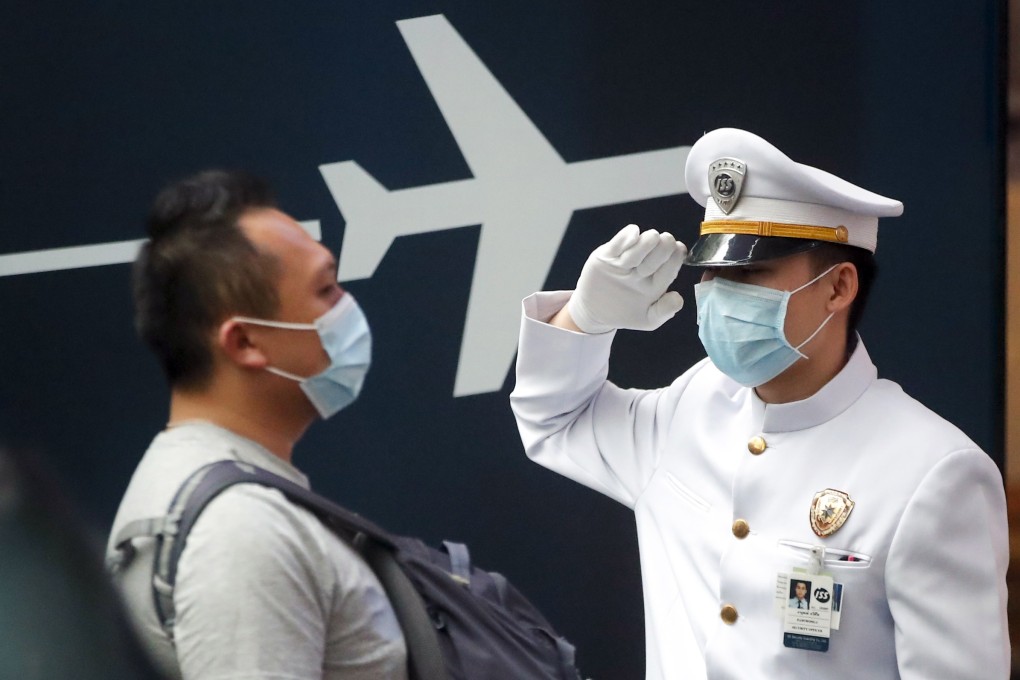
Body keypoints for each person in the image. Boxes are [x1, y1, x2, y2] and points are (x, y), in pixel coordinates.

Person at [509, 128, 1009, 679]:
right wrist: (585, 318)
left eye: (748, 273)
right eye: (713, 272)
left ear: (839, 287)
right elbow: (553, 420)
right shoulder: (693, 406)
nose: (720, 293)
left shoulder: (932, 470)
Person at [106, 170, 407, 680]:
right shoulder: (239, 535)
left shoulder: (224, 498)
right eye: (326, 289)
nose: (347, 308)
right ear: (245, 343)